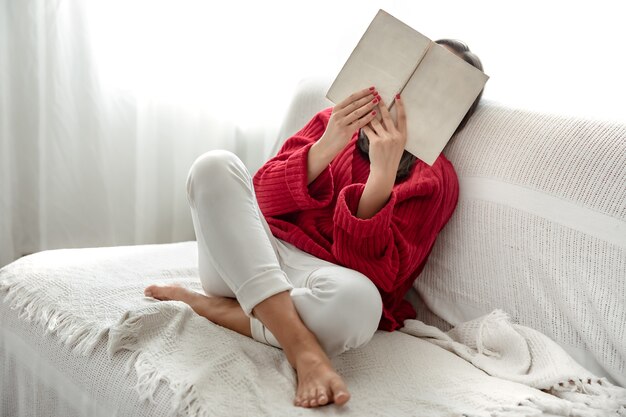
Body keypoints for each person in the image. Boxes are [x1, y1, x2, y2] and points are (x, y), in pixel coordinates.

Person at [144, 39, 485, 409]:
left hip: (323, 284)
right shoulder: (330, 123)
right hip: (251, 259)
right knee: (214, 165)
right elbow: (256, 197)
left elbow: (383, 281)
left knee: (361, 306)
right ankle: (302, 347)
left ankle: (221, 309)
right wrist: (327, 146)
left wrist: (381, 181)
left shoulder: (436, 179)